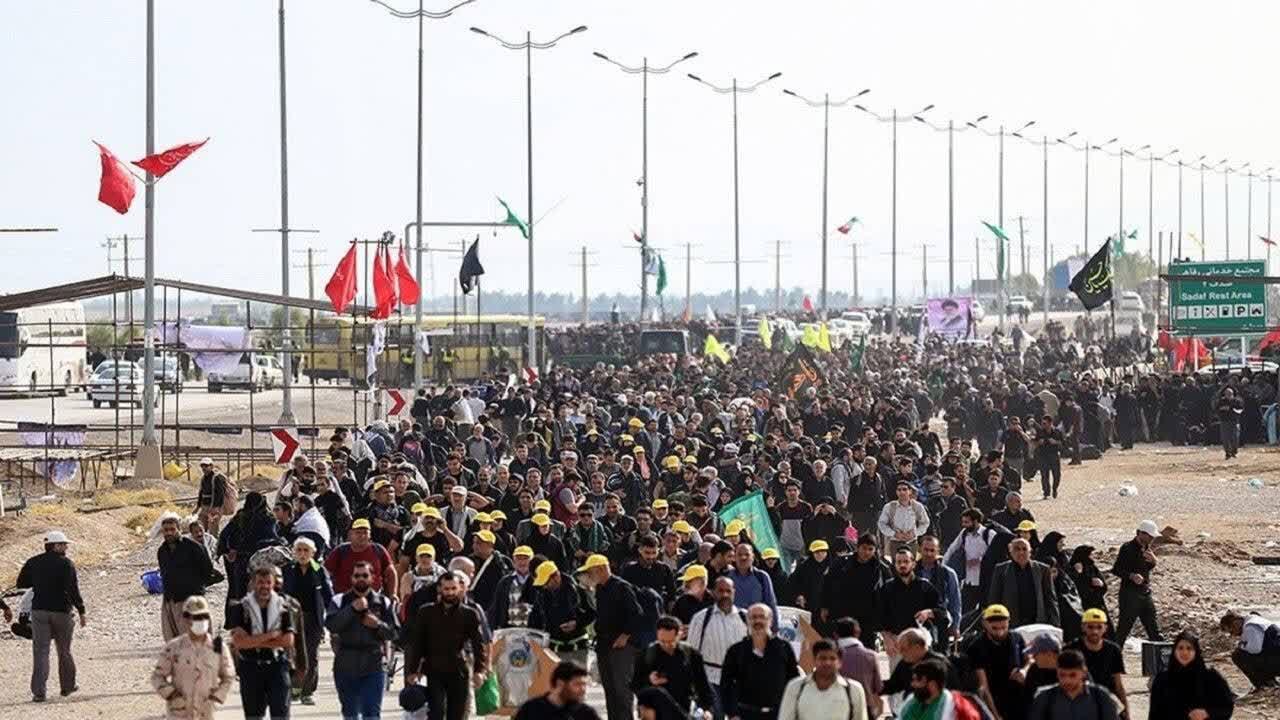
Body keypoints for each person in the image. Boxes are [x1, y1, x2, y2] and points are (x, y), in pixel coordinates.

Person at [405, 571, 489, 720]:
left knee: (457, 714)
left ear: (460, 588)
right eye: (446, 589)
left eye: (453, 588)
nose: (450, 593)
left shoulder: (469, 614)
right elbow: (418, 643)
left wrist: (479, 670)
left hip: (459, 670)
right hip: (434, 670)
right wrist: (413, 670)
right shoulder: (426, 612)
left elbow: (478, 644)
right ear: (439, 589)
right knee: (436, 711)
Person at [325, 560, 399, 720]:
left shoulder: (383, 602)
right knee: (350, 714)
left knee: (371, 714)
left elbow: (394, 633)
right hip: (345, 664)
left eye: (365, 575)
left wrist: (378, 624)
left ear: (372, 578)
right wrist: (352, 609)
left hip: (374, 664)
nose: (360, 579)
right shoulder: (339, 600)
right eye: (357, 575)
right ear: (351, 578)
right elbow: (331, 625)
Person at [17, 529, 85, 703]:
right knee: (64, 650)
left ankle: (39, 692)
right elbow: (73, 590)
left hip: (39, 611)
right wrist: (81, 610)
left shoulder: (33, 562)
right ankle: (67, 687)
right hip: (62, 612)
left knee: (41, 652)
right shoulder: (66, 564)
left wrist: (39, 582)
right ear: (55, 546)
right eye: (63, 545)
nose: (66, 548)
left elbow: (21, 583)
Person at [150, 595, 235, 720]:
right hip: (180, 713)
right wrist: (171, 694)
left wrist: (217, 696)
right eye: (196, 617)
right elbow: (157, 676)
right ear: (186, 619)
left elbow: (229, 675)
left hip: (206, 713)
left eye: (204, 616)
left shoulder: (218, 648)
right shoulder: (174, 647)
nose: (201, 621)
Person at [581, 553, 644, 720]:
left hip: (621, 646)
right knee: (609, 690)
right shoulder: (600, 589)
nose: (589, 576)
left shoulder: (622, 587)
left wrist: (625, 636)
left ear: (601, 569)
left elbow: (636, 614)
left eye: (591, 572)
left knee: (622, 691)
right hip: (604, 644)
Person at [228, 566, 295, 719]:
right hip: (250, 668)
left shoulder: (283, 607)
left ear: (274, 584)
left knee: (280, 715)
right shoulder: (241, 608)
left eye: (268, 582)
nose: (264, 586)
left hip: (277, 666)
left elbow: (288, 640)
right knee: (253, 716)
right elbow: (238, 642)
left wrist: (253, 641)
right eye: (260, 582)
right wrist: (271, 636)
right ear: (253, 584)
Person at [719, 603, 800, 720]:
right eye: (753, 617)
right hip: (744, 715)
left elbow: (794, 682)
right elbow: (726, 685)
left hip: (778, 715)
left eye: (762, 617)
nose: (758, 621)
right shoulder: (736, 651)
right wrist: (732, 713)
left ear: (770, 621)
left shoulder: (784, 648)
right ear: (747, 621)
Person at [281, 537, 334, 706]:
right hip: (292, 618)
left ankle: (307, 691)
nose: (302, 554)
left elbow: (328, 595)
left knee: (311, 655)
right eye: (299, 550)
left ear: (313, 553)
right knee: (292, 654)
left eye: (306, 550)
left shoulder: (319, 570)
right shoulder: (287, 570)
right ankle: (294, 688)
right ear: (294, 552)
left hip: (313, 619)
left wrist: (333, 616)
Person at [687, 576, 749, 719]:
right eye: (721, 591)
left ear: (734, 592)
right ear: (714, 592)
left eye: (728, 591)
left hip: (738, 681)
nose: (725, 595)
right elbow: (691, 653)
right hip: (711, 680)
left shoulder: (745, 617)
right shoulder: (701, 619)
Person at [631, 615, 715, 714]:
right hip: (656, 711)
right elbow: (635, 685)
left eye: (671, 642)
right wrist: (649, 680)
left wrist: (706, 710)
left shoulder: (691, 654)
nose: (666, 646)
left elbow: (702, 685)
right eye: (662, 641)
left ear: (679, 635)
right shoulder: (647, 654)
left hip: (684, 709)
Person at [1148, 630, 1235, 720]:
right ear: (1174, 651)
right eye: (1180, 648)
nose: (1184, 652)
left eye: (1189, 648)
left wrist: (1207, 713)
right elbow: (1154, 714)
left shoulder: (1211, 677)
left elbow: (1227, 708)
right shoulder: (1162, 680)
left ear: (1196, 651)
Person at [157, 513, 215, 642]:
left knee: (199, 637)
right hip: (171, 599)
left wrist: (195, 588)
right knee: (176, 639)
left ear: (179, 530)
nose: (169, 533)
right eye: (166, 530)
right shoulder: (162, 551)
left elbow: (207, 570)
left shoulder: (193, 547)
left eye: (172, 529)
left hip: (191, 598)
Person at [528, 560, 595, 671]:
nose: (545, 586)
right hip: (553, 651)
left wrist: (576, 624)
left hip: (578, 649)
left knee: (578, 681)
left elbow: (592, 613)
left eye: (546, 582)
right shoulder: (541, 594)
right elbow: (535, 619)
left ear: (556, 577)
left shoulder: (577, 591)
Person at [877, 548, 946, 657]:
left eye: (906, 561)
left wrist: (928, 612)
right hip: (897, 645)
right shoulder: (887, 588)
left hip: (921, 643)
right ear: (895, 565)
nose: (902, 565)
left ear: (913, 564)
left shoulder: (925, 586)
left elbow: (942, 612)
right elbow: (878, 617)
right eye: (899, 562)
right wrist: (886, 639)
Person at [777, 638, 868, 720]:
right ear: (814, 660)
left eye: (832, 658)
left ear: (840, 662)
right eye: (822, 658)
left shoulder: (853, 690)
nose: (827, 663)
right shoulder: (796, 687)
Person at [966, 604, 1027, 720]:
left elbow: (1029, 659)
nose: (1000, 633)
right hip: (994, 700)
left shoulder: (1016, 638)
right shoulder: (977, 647)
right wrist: (995, 715)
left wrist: (1024, 671)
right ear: (985, 624)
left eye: (1003, 627)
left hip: (1018, 700)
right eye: (994, 628)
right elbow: (983, 686)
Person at [1065, 609, 1128, 716]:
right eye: (1090, 627)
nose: (1095, 631)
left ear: (1105, 628)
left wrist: (1126, 712)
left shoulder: (1113, 650)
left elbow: (1118, 684)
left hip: (1107, 703)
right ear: (1083, 627)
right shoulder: (1071, 650)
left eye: (1099, 627)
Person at [1027, 648, 1120, 719]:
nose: (1067, 680)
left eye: (1072, 675)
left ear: (1084, 673)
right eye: (1062, 675)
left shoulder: (1101, 697)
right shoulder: (1044, 697)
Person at [988, 538, 1059, 628]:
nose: (1021, 552)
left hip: (1037, 623)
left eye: (1024, 549)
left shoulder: (1042, 569)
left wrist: (1055, 624)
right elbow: (994, 598)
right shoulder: (1001, 570)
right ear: (1011, 552)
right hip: (1011, 624)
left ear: (1030, 552)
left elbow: (1051, 598)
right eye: (1017, 549)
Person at [1112, 520, 1162, 646]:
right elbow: (1116, 569)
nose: (1152, 539)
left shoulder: (1146, 548)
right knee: (1123, 630)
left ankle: (1160, 658)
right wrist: (1131, 576)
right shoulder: (1127, 548)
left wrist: (1153, 562)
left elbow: (1145, 568)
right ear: (1140, 533)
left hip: (1145, 593)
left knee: (1154, 630)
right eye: (1150, 536)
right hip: (1130, 595)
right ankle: (1113, 656)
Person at [325, 518, 397, 597]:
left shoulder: (379, 550)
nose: (362, 536)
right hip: (344, 599)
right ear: (351, 534)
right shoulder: (340, 551)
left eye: (365, 532)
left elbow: (391, 573)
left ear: (370, 535)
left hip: (373, 598)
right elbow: (325, 573)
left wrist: (393, 594)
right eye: (358, 532)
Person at [895, 658, 986, 720]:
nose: (912, 684)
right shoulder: (913, 702)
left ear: (932, 685)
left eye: (917, 681)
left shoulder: (958, 710)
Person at [513, 660, 602, 720]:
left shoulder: (586, 713)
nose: (583, 689)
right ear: (560, 684)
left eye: (584, 684)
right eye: (577, 684)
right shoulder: (531, 710)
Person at [833, 618, 882, 719]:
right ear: (858, 633)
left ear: (835, 635)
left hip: (837, 709)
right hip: (865, 709)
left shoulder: (831, 657)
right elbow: (878, 687)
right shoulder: (870, 656)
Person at [1220, 610, 1280, 690]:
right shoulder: (1254, 619)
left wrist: (1241, 646)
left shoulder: (1250, 627)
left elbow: (1255, 649)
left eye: (1231, 631)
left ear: (1235, 623)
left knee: (1238, 655)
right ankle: (1270, 682)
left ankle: (1265, 685)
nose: (1233, 635)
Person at [877, 481, 931, 554]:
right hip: (895, 543)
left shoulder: (917, 506)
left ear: (910, 491)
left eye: (904, 489)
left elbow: (925, 523)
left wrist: (915, 533)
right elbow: (882, 524)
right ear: (896, 492)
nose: (902, 492)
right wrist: (894, 533)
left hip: (912, 543)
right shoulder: (889, 507)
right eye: (899, 490)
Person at [195, 457, 231, 535]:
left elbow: (220, 494)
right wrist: (198, 507)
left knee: (213, 530)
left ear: (211, 466)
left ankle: (214, 542)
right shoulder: (204, 478)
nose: (204, 468)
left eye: (206, 466)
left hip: (215, 508)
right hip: (205, 507)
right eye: (202, 466)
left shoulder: (216, 478)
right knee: (201, 528)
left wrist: (216, 509)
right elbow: (201, 493)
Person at [1033, 414, 1065, 498]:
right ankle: (1046, 492)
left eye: (1045, 423)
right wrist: (1039, 442)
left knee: (1056, 474)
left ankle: (1054, 489)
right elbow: (1035, 442)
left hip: (1054, 454)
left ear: (1050, 423)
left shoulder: (1057, 432)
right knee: (1044, 474)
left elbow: (1064, 444)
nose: (1043, 425)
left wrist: (1055, 442)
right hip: (1043, 455)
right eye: (1042, 423)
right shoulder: (1040, 432)